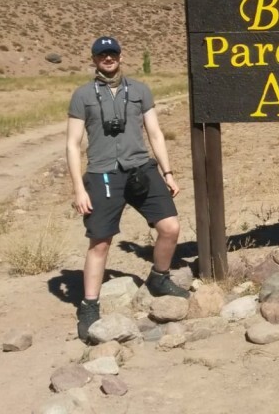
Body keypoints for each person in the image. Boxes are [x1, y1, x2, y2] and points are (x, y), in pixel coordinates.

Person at [66, 36, 189, 341]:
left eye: (112, 53)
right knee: (100, 242)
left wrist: (168, 172)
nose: (108, 58)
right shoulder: (82, 95)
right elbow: (72, 144)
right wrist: (79, 188)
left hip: (141, 170)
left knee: (170, 226)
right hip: (102, 174)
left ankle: (159, 278)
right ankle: (89, 304)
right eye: (101, 54)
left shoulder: (139, 91)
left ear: (120, 57)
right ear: (94, 59)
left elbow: (156, 133)